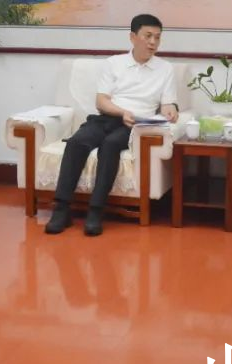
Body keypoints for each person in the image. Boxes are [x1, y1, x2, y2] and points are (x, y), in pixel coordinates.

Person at [45, 14, 178, 237]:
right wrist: (122, 112)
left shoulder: (165, 69)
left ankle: (96, 210)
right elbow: (101, 101)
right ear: (132, 37)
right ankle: (61, 209)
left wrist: (171, 109)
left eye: (157, 37)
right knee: (77, 142)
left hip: (135, 125)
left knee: (111, 145)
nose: (153, 42)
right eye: (148, 36)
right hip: (107, 117)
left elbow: (167, 104)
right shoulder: (114, 63)